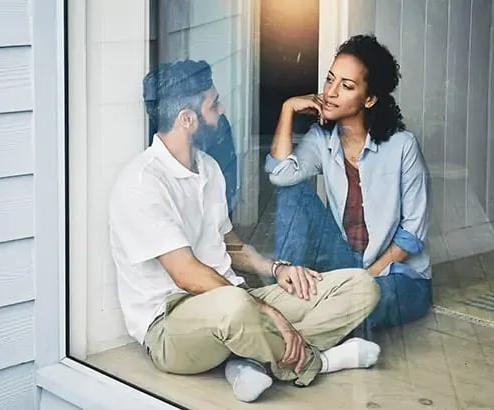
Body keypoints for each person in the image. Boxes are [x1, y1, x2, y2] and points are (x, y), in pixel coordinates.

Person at [109, 59, 381, 403]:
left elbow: (230, 246)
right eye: (214, 104)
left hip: (233, 299)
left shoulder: (207, 168)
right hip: (171, 325)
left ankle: (248, 358)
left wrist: (278, 269)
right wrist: (266, 311)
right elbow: (186, 275)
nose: (223, 111)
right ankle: (318, 362)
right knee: (237, 306)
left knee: (361, 287)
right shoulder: (142, 184)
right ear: (187, 120)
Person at [265, 34, 432, 335]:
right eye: (330, 80)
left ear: (369, 99)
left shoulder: (402, 146)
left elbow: (412, 235)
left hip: (396, 276)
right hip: (345, 261)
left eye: (347, 85)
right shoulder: (321, 139)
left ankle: (299, 333)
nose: (330, 92)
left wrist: (364, 278)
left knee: (365, 305)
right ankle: (287, 284)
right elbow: (280, 175)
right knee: (293, 190)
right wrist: (288, 108)